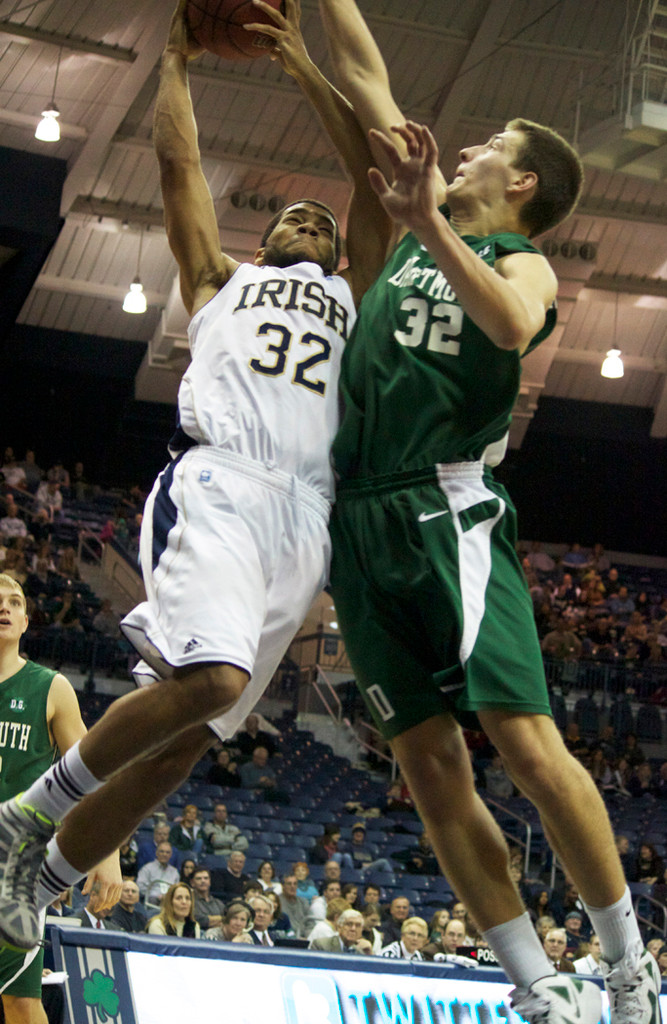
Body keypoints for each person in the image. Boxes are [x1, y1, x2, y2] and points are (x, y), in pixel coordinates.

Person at [0, 0, 389, 959]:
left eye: (320, 220)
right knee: (215, 677)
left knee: (186, 739)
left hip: (304, 520)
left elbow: (372, 178)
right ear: (265, 245)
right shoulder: (222, 278)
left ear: (339, 251)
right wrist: (174, 59)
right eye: (290, 215)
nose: (307, 218)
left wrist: (301, 64)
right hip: (220, 481)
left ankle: (37, 880)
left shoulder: (357, 295)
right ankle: (24, 814)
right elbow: (179, 166)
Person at [315, 1, 660, 1021]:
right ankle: (536, 987)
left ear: (521, 184)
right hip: (357, 519)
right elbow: (365, 77)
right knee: (425, 766)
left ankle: (627, 965)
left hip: (445, 508)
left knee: (525, 743)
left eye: (487, 149)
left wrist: (426, 221)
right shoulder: (416, 218)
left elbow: (509, 326)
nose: (461, 150)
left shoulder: (522, 259)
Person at [0, 574, 120, 1024]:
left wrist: (107, 853)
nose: (5, 608)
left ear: (26, 621)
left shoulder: (49, 687)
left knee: (21, 1000)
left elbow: (90, 773)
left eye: (15, 602)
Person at [136, 841, 179, 910]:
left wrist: (167, 897)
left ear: (171, 855)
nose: (164, 854)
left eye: (167, 852)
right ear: (156, 853)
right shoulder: (147, 869)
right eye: (162, 851)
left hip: (169, 901)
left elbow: (176, 890)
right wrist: (157, 896)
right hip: (152, 900)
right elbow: (140, 886)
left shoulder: (175, 872)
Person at [190, 867, 225, 931]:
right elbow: (199, 920)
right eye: (199, 878)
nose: (203, 881)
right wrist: (221, 919)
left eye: (206, 878)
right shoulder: (189, 901)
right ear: (192, 883)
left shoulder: (218, 902)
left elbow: (228, 919)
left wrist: (211, 920)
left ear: (210, 882)